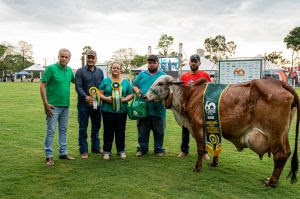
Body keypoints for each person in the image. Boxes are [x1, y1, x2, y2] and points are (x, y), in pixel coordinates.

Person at [40, 48, 75, 166]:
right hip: (52, 106)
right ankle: (49, 156)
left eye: (66, 57)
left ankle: (63, 153)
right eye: (62, 56)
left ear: (69, 59)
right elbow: (42, 85)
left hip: (65, 106)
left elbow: (78, 82)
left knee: (63, 130)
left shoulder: (69, 70)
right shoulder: (51, 69)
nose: (64, 58)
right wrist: (45, 104)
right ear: (58, 57)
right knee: (51, 131)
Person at [177, 54, 211, 160]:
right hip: (187, 108)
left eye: (195, 61)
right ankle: (184, 150)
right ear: (189, 63)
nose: (193, 63)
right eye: (192, 61)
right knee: (185, 129)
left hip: (200, 109)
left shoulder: (205, 75)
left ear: (199, 63)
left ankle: (204, 152)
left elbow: (210, 90)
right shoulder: (184, 76)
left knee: (202, 130)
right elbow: (180, 92)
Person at [132, 54, 166, 157]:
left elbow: (168, 90)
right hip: (143, 108)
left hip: (158, 108)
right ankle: (142, 149)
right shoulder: (142, 74)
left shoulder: (163, 75)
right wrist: (137, 91)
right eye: (149, 62)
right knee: (142, 131)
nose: (151, 64)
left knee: (159, 131)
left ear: (157, 63)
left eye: (153, 62)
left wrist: (159, 97)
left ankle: (158, 149)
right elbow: (134, 85)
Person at [99, 63, 133, 160]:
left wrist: (124, 99)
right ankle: (106, 151)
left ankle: (121, 150)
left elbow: (131, 94)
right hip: (107, 110)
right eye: (114, 68)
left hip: (121, 111)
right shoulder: (105, 81)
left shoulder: (126, 82)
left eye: (118, 68)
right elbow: (99, 93)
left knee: (120, 131)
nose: (116, 69)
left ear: (120, 70)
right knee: (108, 131)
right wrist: (106, 98)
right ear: (111, 69)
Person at [75, 50, 104, 159]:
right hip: (83, 104)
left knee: (96, 126)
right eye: (89, 57)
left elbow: (102, 87)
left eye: (93, 57)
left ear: (96, 59)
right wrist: (86, 97)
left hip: (97, 103)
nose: (91, 59)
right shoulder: (80, 71)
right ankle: (83, 150)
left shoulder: (100, 72)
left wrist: (99, 96)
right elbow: (78, 86)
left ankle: (96, 147)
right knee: (83, 127)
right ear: (86, 58)